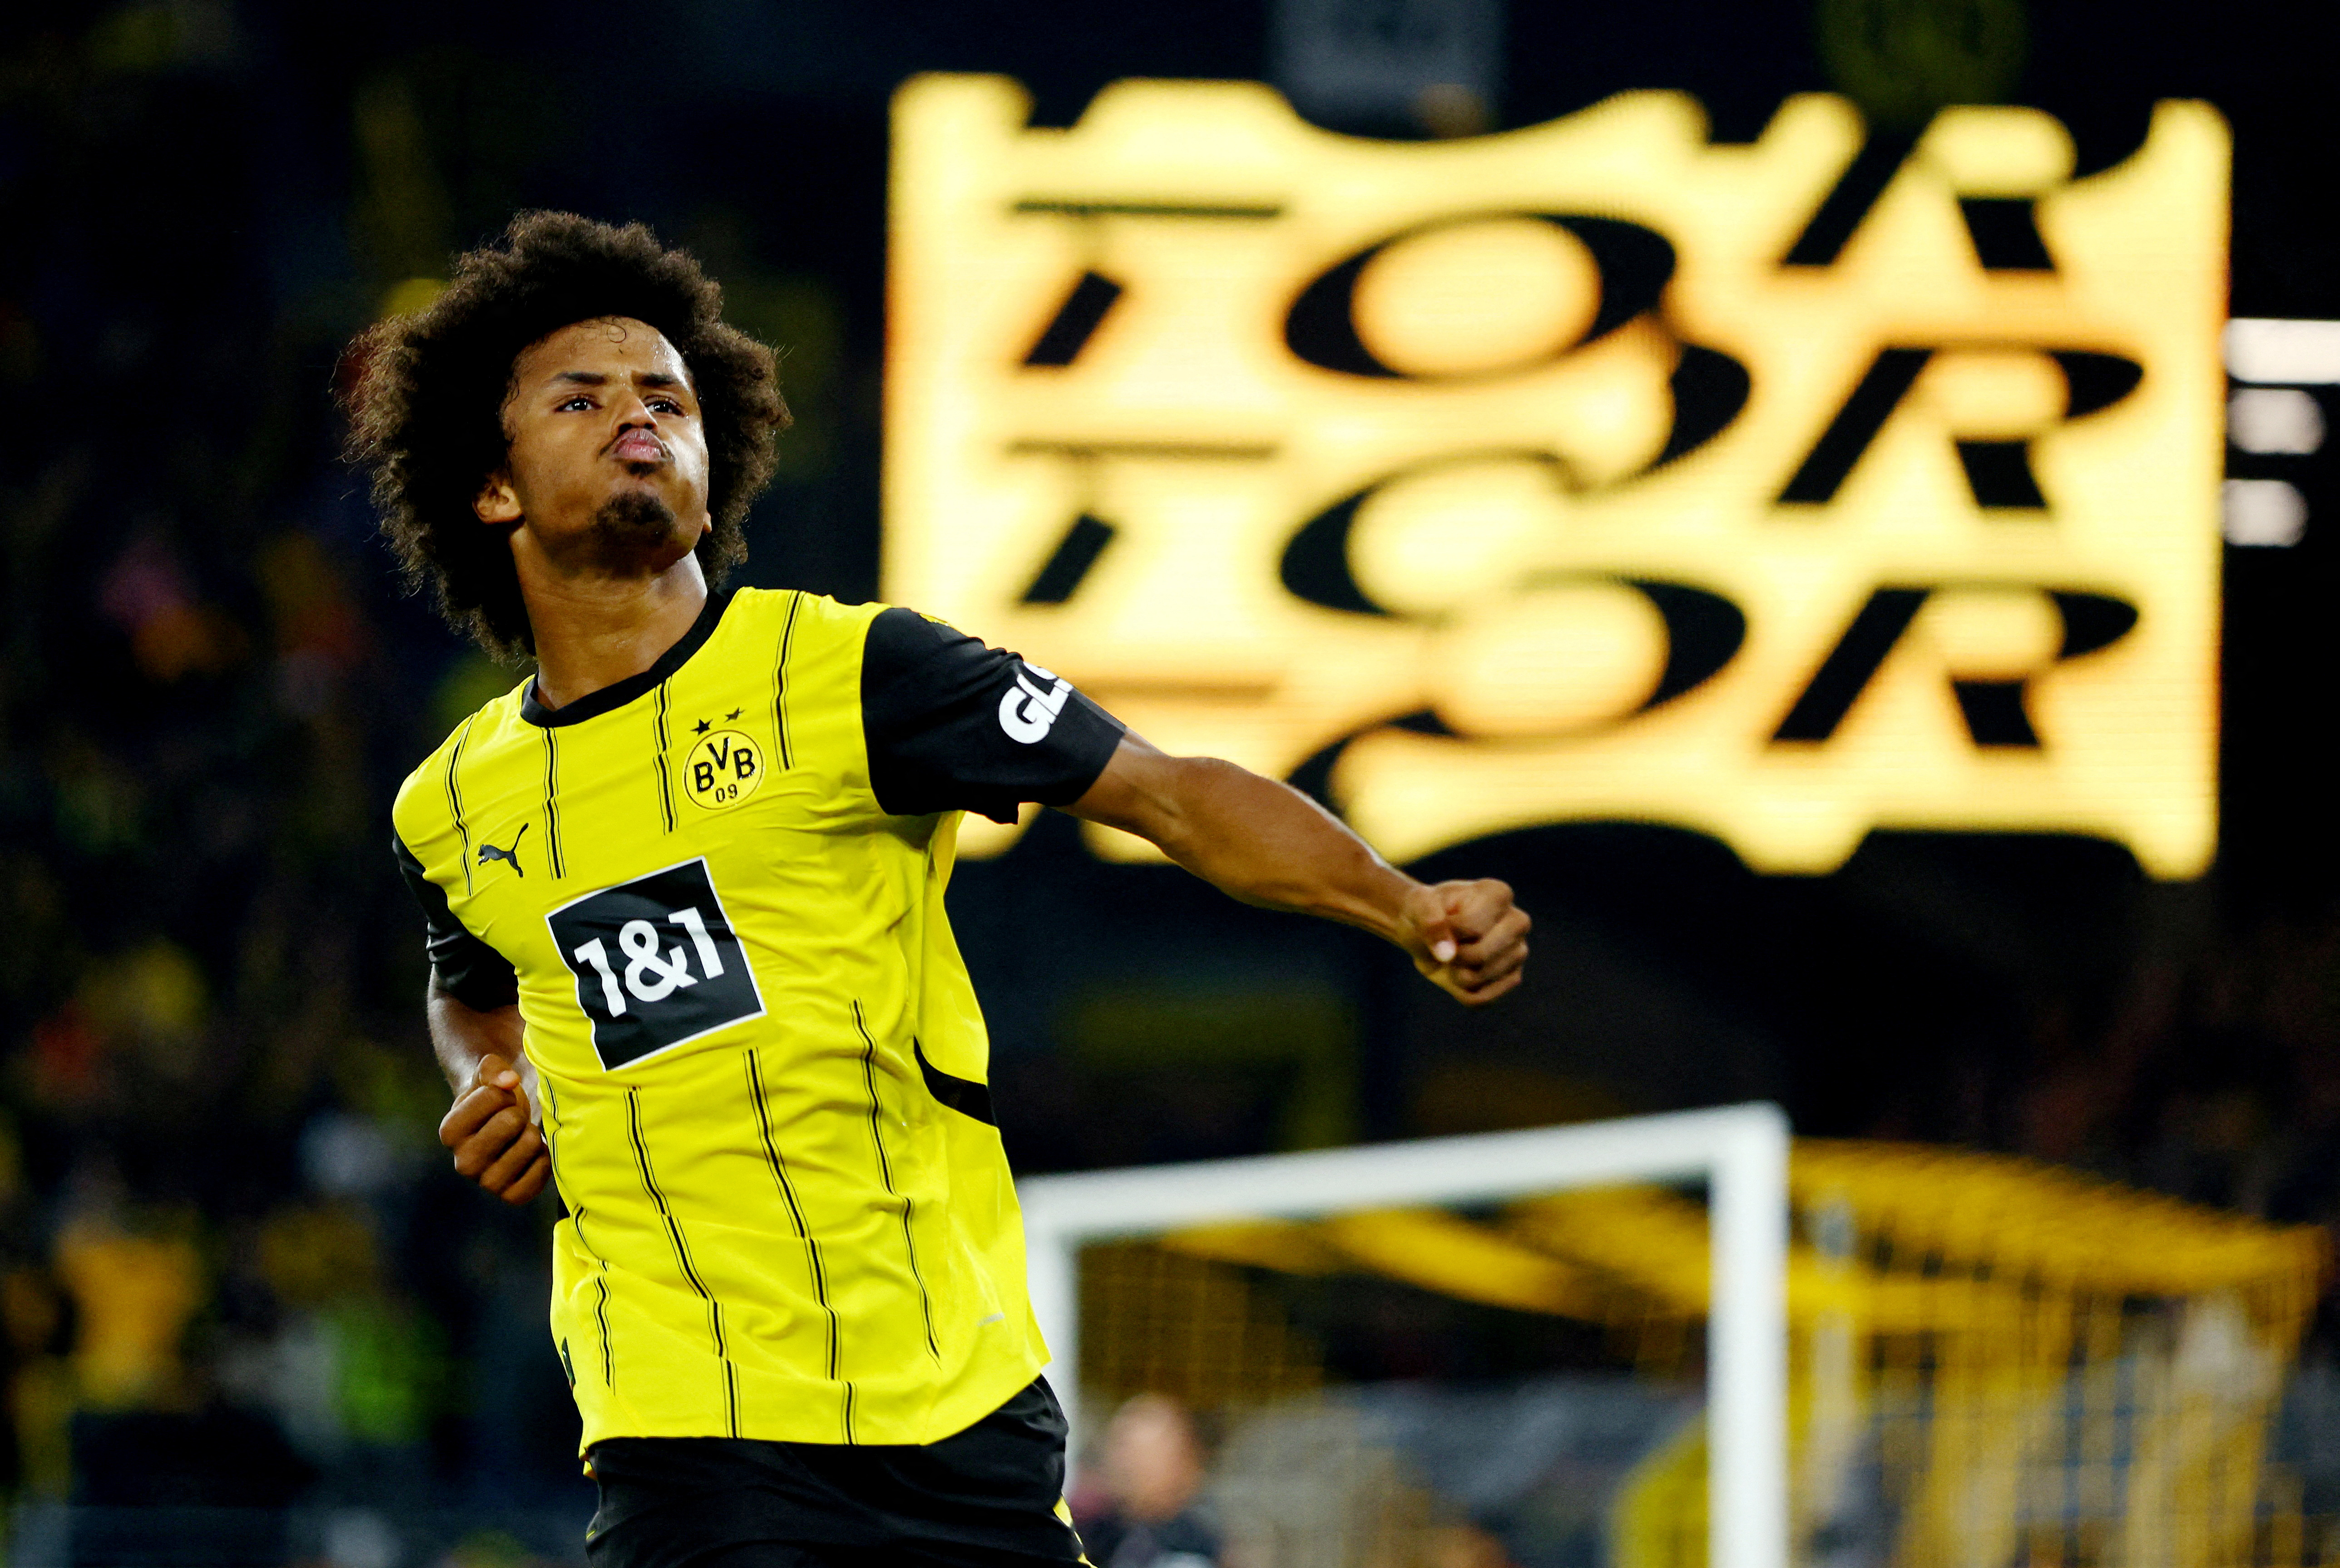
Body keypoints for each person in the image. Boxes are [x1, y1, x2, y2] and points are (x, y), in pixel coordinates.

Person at [346, 212, 1530, 1568]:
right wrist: (491, 1080)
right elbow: (471, 989)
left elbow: (1167, 790)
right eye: (583, 396)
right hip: (693, 1433)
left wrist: (1400, 902)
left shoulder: (853, 672)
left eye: (667, 397)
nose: (639, 417)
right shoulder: (452, 805)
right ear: (491, 488)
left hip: (955, 1401)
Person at [1076, 1395, 1222, 1568]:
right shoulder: (1092, 1535)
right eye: (1121, 1448)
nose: (1125, 1464)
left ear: (1182, 1461)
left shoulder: (1195, 1545)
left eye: (1142, 1454)